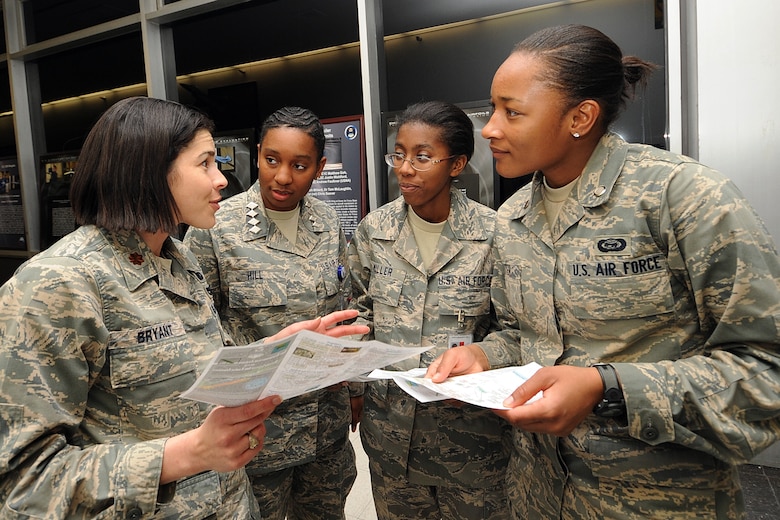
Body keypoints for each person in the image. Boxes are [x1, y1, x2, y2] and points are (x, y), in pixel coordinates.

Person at [425, 24, 780, 520]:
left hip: (656, 503)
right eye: (492, 109)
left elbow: (765, 370)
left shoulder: (683, 199)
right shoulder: (514, 218)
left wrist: (607, 387)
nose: (489, 129)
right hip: (538, 496)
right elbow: (522, 334)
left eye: (513, 111)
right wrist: (484, 355)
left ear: (581, 116)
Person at [0, 96, 368, 519]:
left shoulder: (178, 262)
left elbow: (201, 375)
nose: (222, 180)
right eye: (206, 163)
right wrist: (186, 454)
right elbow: (22, 483)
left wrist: (278, 352)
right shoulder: (57, 284)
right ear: (151, 171)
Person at [184, 106, 359, 520]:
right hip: (259, 434)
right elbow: (198, 331)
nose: (283, 177)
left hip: (324, 433)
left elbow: (344, 307)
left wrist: (355, 388)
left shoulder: (328, 222)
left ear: (319, 168)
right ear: (259, 153)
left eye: (300, 165)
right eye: (272, 160)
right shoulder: (215, 227)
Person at [348, 100, 511, 519]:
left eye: (422, 157)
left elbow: (514, 330)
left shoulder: (496, 236)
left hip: (471, 443)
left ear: (456, 164)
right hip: (391, 441)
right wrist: (351, 383)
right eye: (398, 154)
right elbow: (362, 313)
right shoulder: (375, 231)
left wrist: (481, 364)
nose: (404, 168)